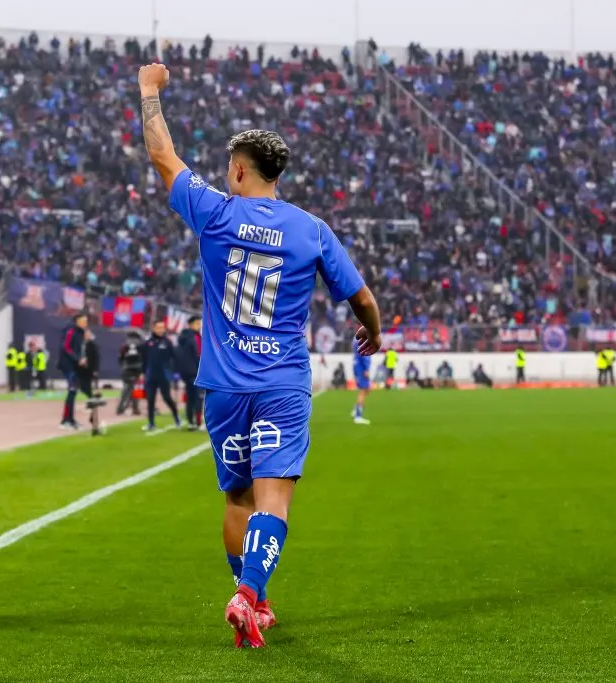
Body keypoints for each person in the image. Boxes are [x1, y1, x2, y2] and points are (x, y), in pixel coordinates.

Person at [139, 61, 381, 648]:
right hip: (281, 384)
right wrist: (370, 331)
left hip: (224, 386)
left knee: (237, 498)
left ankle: (256, 599)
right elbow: (363, 298)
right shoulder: (312, 230)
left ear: (239, 170)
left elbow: (163, 158)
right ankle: (249, 595)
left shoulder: (217, 212)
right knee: (274, 499)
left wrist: (149, 93)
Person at [142, 319, 181, 432]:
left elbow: (175, 358)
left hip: (164, 375)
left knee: (167, 398)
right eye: (158, 327)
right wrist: (142, 372)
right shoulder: (147, 343)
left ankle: (176, 417)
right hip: (151, 376)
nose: (161, 330)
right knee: (150, 400)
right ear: (154, 328)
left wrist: (175, 373)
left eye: (162, 327)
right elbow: (144, 360)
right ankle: (151, 423)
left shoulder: (167, 342)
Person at [56, 313, 87, 429]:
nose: (85, 323)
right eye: (83, 321)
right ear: (77, 321)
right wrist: (77, 359)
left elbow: (79, 348)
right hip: (67, 365)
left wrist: (82, 359)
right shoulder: (70, 331)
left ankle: (70, 419)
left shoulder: (81, 333)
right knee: (72, 389)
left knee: (73, 391)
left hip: (74, 365)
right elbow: (66, 347)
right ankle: (65, 421)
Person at [176, 315, 204, 430]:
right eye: (197, 323)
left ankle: (191, 421)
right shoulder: (191, 338)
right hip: (194, 372)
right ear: (191, 324)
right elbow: (197, 355)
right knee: (197, 397)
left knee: (191, 397)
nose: (199, 326)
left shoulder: (188, 337)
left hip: (189, 373)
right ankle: (196, 422)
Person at [117, 332, 144, 416]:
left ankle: (121, 408)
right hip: (139, 369)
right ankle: (135, 408)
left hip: (127, 369)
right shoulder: (141, 345)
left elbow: (120, 358)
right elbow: (144, 357)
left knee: (126, 389)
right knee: (137, 389)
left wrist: (123, 365)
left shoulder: (124, 345)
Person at [351, 343, 372, 424]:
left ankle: (356, 410)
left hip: (358, 368)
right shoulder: (364, 340)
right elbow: (365, 356)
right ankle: (358, 416)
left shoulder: (357, 340)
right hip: (362, 369)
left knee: (365, 391)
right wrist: (366, 369)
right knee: (363, 392)